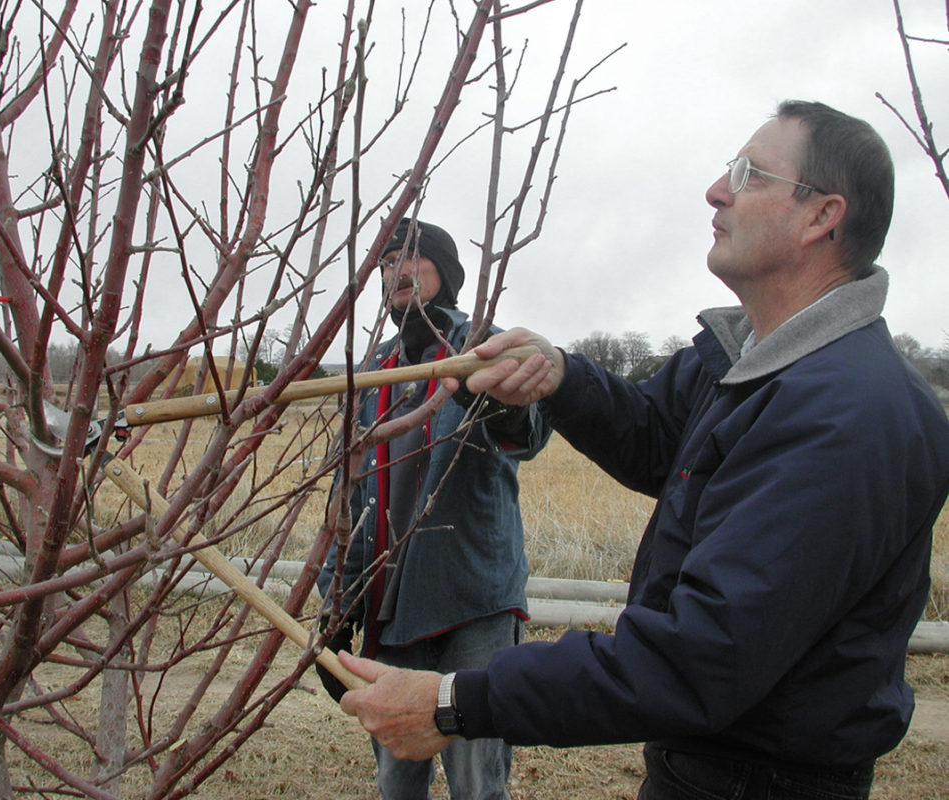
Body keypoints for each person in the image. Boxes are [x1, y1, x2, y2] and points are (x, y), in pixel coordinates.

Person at [336, 101, 949, 799]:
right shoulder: (743, 358)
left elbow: (702, 657)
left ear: (821, 216)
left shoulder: (845, 414)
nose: (716, 190)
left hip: (764, 781)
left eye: (748, 174)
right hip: (706, 764)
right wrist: (559, 373)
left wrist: (455, 703)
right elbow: (658, 437)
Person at [316, 217, 552, 799]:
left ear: (444, 272)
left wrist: (500, 403)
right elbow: (352, 499)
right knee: (397, 779)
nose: (393, 271)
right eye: (384, 263)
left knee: (477, 783)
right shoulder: (374, 371)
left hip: (470, 604)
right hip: (391, 608)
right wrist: (335, 604)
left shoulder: (482, 349)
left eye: (408, 258)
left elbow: (531, 429)